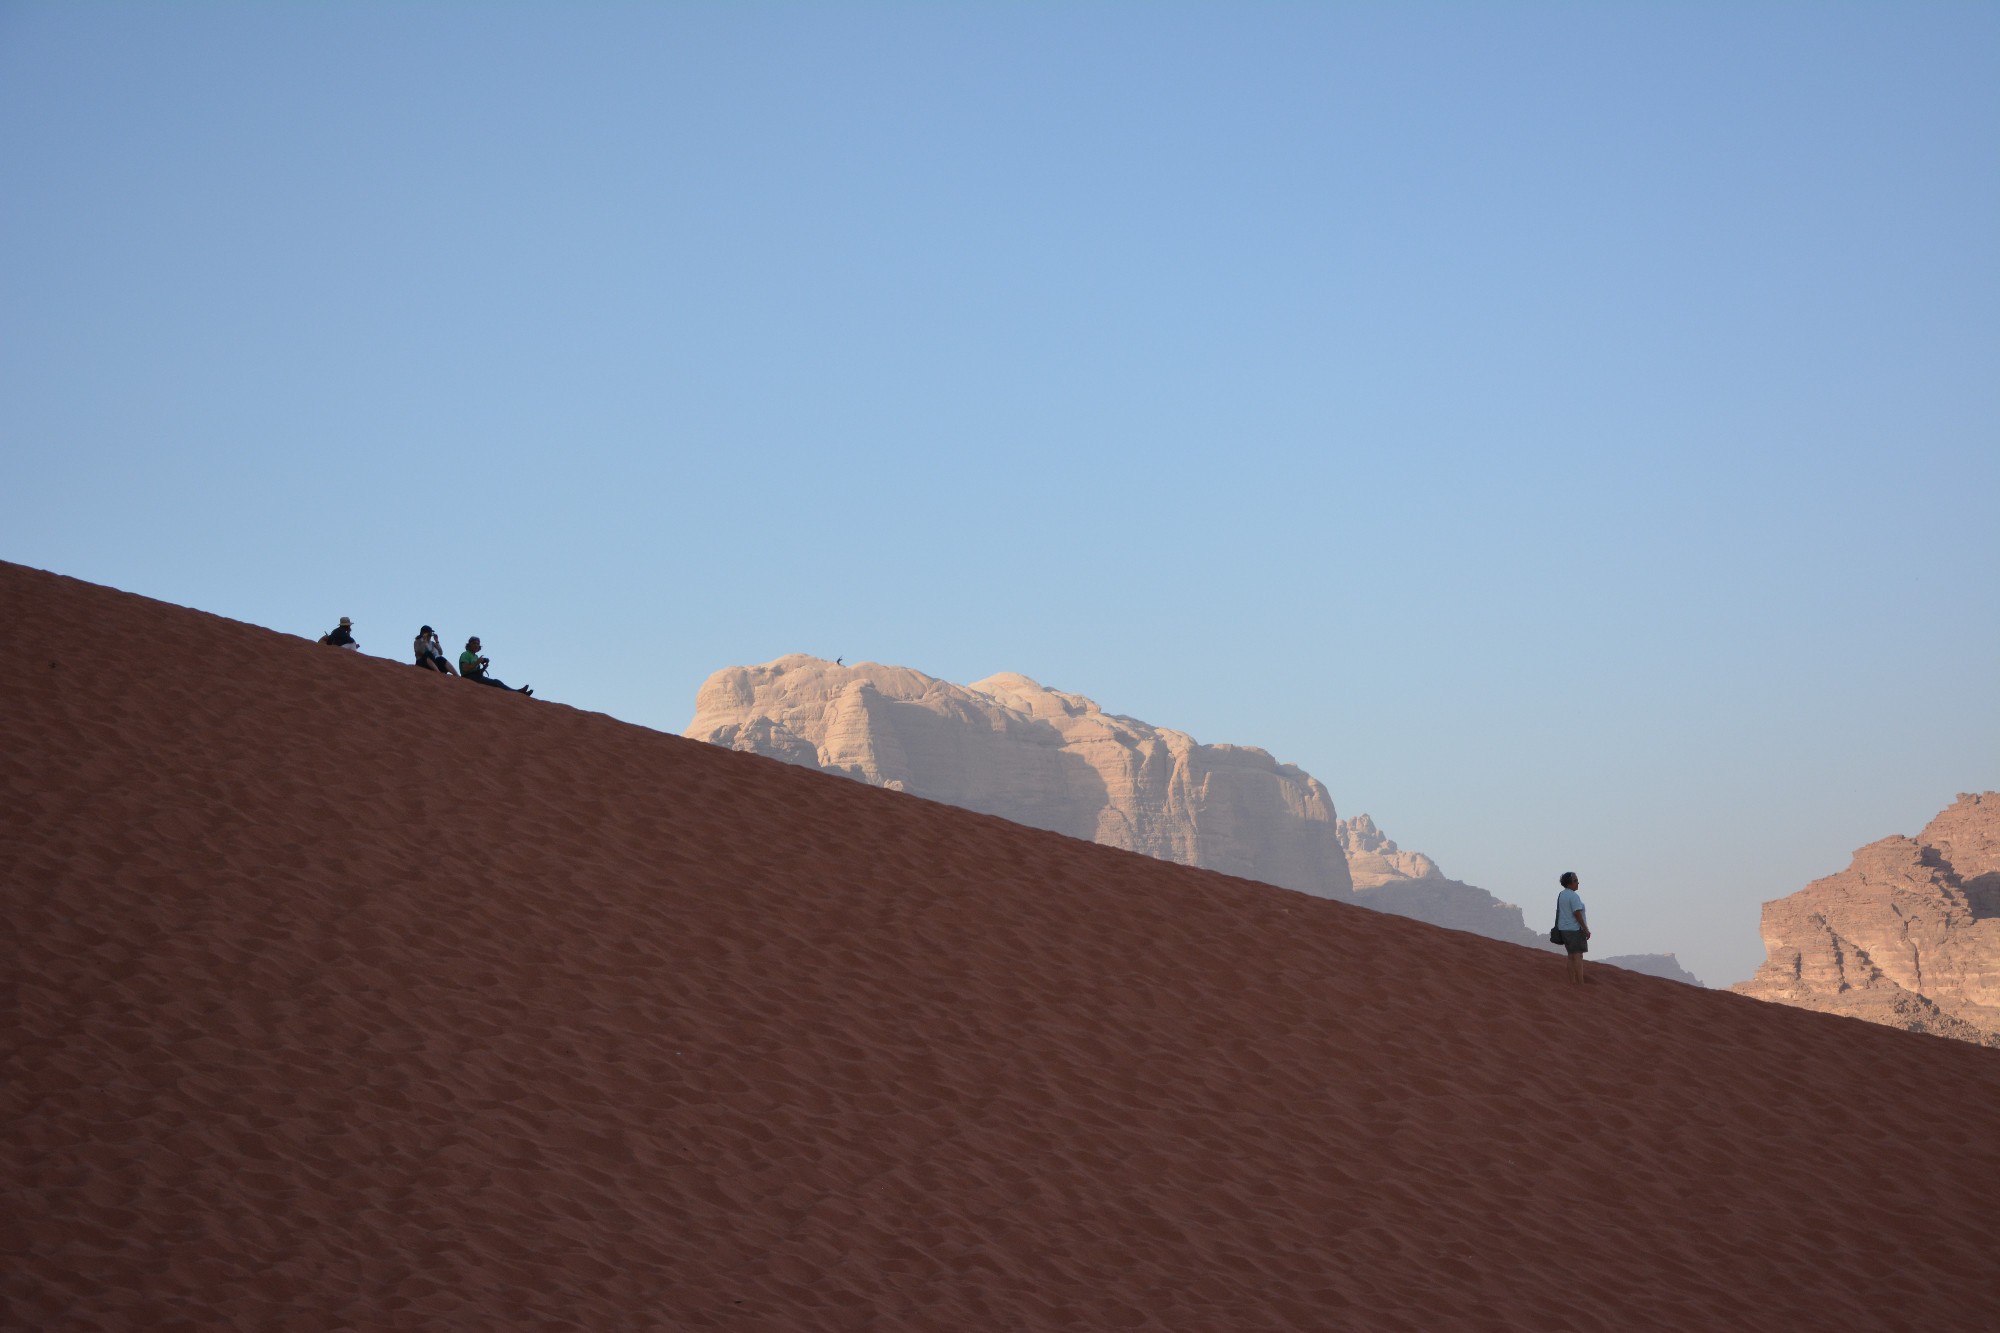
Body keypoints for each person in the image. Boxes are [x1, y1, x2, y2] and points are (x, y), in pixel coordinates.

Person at [458, 636, 532, 696]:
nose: (476, 646)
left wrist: (484, 667)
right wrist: (478, 662)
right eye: (474, 643)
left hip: (476, 676)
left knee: (496, 682)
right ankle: (517, 693)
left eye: (478, 644)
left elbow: (475, 670)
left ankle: (519, 692)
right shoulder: (466, 654)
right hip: (469, 677)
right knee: (496, 683)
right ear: (469, 644)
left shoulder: (475, 656)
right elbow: (465, 669)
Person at [1555, 871, 1592, 984]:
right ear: (1569, 883)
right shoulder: (1573, 896)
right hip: (1574, 929)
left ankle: (1572, 982)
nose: (1578, 883)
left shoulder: (1562, 894)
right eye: (1575, 880)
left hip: (1564, 929)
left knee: (1571, 956)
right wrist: (1585, 929)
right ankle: (1580, 983)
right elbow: (1577, 913)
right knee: (1577, 956)